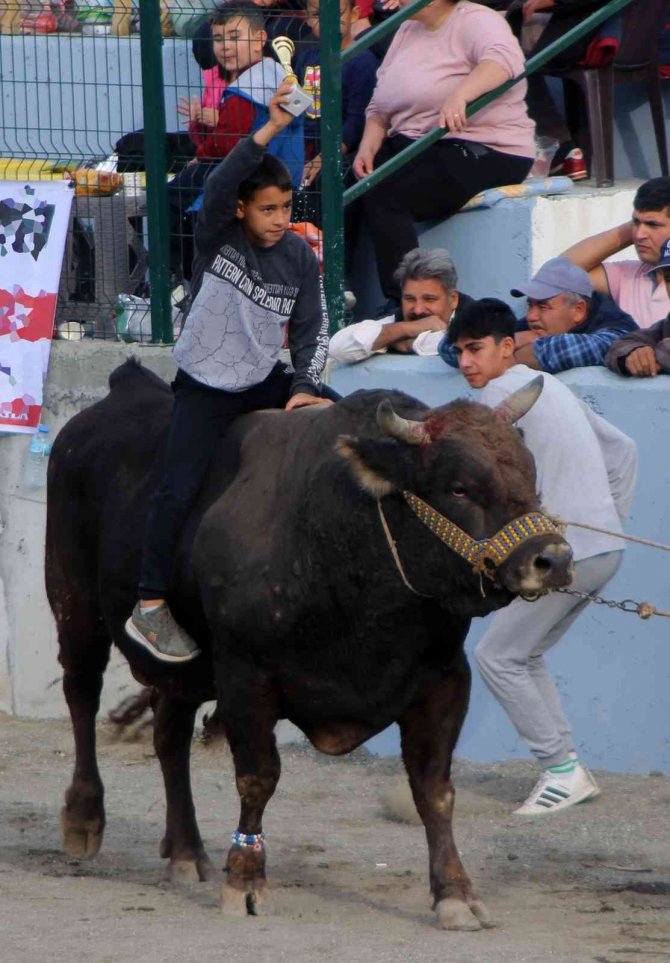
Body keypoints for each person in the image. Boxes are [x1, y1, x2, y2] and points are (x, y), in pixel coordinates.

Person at [125, 81, 331, 664]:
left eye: (287, 209)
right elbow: (218, 181)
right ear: (241, 209)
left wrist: (306, 388)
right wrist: (267, 127)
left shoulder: (300, 258)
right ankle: (150, 604)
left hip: (263, 379)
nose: (279, 220)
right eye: (267, 209)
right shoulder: (219, 235)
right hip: (205, 384)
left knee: (344, 421)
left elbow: (313, 333)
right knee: (179, 486)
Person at [447, 297, 637, 815]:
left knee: (496, 656)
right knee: (521, 654)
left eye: (476, 349)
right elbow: (624, 451)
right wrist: (608, 521)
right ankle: (566, 767)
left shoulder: (495, 407)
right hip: (604, 549)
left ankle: (561, 770)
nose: (466, 362)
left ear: (508, 348)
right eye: (459, 351)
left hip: (563, 555)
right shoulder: (550, 384)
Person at [352, 0, 535, 308]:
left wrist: (461, 94)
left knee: (386, 190)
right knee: (343, 183)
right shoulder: (407, 28)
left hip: (484, 146)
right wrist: (368, 142)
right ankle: (335, 294)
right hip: (416, 142)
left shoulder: (476, 19)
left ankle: (406, 303)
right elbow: (381, 101)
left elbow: (504, 61)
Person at [170, 2, 305, 278]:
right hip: (282, 174)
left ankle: (181, 278)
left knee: (169, 198)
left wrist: (202, 152)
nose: (225, 47)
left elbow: (227, 145)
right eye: (218, 39)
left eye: (234, 37)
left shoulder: (244, 90)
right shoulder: (277, 74)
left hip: (247, 177)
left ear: (259, 39)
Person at [439, 256, 637, 373]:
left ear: (579, 310)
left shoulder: (616, 326)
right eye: (530, 305)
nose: (532, 316)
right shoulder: (533, 326)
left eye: (543, 306)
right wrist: (507, 344)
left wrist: (503, 347)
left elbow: (573, 350)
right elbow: (449, 345)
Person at [505, 0, 611, 181]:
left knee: (514, 63)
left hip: (600, 33)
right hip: (608, 29)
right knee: (510, 56)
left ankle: (559, 151)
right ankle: (564, 153)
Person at [562, 178, 670, 329]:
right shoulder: (630, 274)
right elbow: (559, 272)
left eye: (653, 225)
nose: (639, 235)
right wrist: (630, 230)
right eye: (636, 222)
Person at [329, 247, 471, 362]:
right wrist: (407, 329)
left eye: (429, 299)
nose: (418, 310)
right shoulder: (401, 321)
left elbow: (459, 347)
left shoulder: (478, 318)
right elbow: (336, 348)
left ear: (453, 299)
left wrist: (402, 343)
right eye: (409, 299)